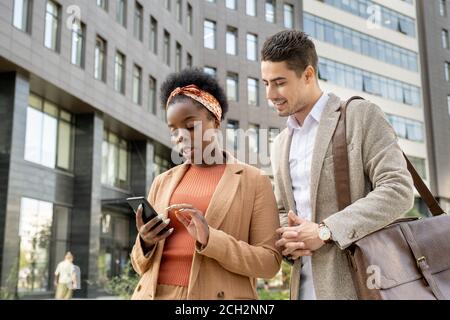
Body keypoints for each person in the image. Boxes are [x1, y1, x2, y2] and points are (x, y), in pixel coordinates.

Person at [260, 30, 414, 300]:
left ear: (308, 75)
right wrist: (288, 238)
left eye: (279, 82)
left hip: (361, 284)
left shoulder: (360, 115)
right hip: (304, 287)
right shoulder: (280, 142)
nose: (270, 94)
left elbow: (398, 189)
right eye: (265, 83)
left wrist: (325, 230)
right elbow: (284, 209)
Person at [130, 68, 282, 300]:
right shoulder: (162, 182)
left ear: (215, 121)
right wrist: (146, 242)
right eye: (174, 130)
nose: (180, 136)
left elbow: (269, 264)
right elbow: (139, 266)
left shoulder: (254, 181)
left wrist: (211, 239)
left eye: (191, 126)